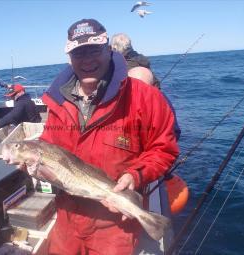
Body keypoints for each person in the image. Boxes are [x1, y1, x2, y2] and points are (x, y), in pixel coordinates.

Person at [29, 18, 180, 255]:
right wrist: (36, 167)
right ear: (69, 57)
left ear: (109, 50)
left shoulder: (145, 97)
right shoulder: (57, 100)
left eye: (94, 50)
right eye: (79, 52)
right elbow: (50, 147)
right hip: (67, 215)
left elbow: (164, 149)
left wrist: (135, 175)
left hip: (116, 222)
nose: (87, 59)